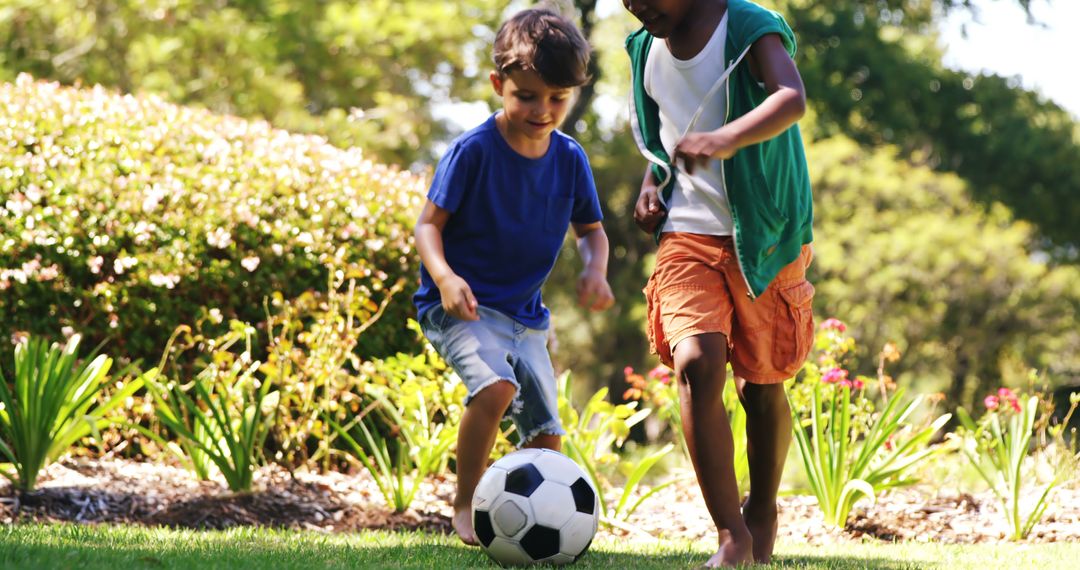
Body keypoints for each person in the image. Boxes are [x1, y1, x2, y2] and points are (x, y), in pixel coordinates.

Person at [622, 0, 815, 566]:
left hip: (765, 231)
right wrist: (651, 184)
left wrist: (725, 139)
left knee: (761, 384)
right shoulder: (643, 49)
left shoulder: (748, 25)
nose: (635, 5)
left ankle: (764, 512)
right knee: (697, 362)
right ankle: (731, 535)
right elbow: (664, 137)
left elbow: (791, 98)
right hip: (687, 235)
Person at [413, 7, 614, 547]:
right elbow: (428, 227)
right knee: (496, 387)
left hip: (526, 316)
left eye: (557, 98)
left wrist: (596, 269)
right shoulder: (473, 151)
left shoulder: (570, 159)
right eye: (527, 95)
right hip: (462, 306)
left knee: (547, 430)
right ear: (499, 85)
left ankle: (543, 523)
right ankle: (465, 504)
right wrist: (446, 278)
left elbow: (592, 231)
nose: (542, 110)